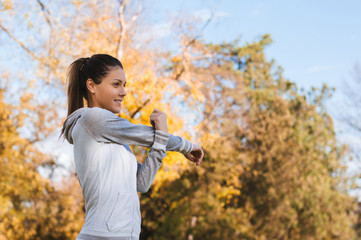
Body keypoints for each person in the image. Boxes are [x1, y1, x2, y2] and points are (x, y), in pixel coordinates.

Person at [59, 54, 204, 240]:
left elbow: (141, 183)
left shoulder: (113, 137)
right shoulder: (92, 119)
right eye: (116, 84)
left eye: (124, 85)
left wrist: (160, 143)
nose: (123, 92)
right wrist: (187, 146)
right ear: (91, 86)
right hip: (102, 236)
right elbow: (147, 135)